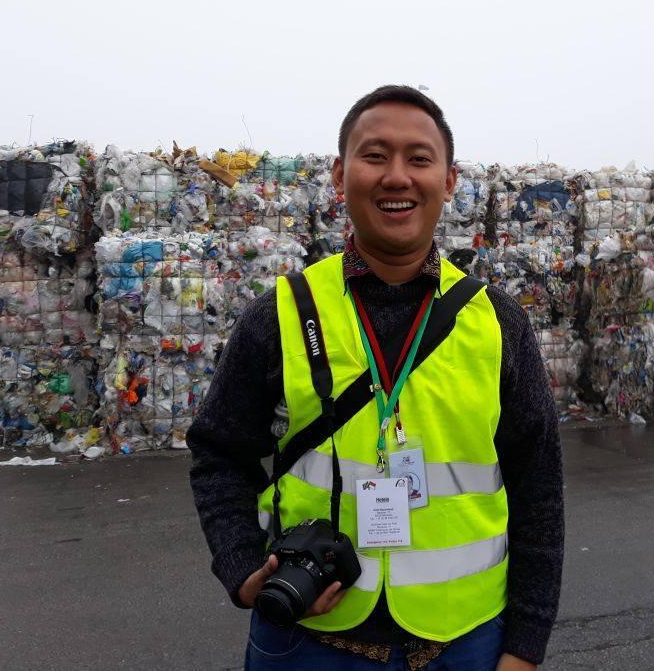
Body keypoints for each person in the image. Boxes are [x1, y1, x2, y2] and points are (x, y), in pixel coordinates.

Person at [188, 85, 564, 670]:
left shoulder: (497, 323)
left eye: (419, 158)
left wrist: (526, 646)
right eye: (375, 156)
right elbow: (219, 453)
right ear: (340, 175)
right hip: (306, 643)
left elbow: (538, 486)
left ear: (449, 180)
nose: (397, 177)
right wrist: (240, 569)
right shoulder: (283, 313)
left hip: (466, 644)